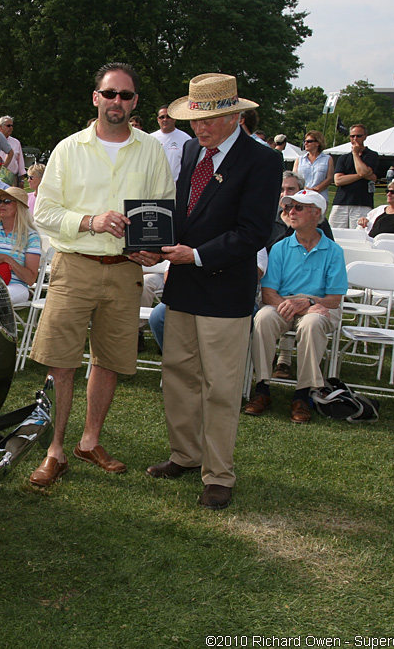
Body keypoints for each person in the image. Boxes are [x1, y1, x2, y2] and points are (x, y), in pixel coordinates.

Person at [26, 62, 175, 488]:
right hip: (75, 267)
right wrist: (91, 221)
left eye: (125, 96)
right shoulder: (69, 149)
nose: (117, 102)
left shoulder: (151, 150)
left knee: (109, 362)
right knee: (61, 363)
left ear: (135, 103)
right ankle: (55, 450)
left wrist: (154, 249)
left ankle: (89, 442)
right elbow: (44, 212)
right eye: (109, 94)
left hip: (126, 271)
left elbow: (163, 206)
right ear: (96, 98)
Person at [139, 73, 281, 510]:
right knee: (178, 377)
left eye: (211, 120)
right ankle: (184, 454)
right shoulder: (190, 151)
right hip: (182, 288)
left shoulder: (263, 160)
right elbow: (183, 214)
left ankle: (219, 475)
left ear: (237, 116)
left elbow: (253, 232)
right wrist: (154, 246)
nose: (201, 128)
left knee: (220, 385)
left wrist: (195, 255)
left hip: (224, 292)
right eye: (196, 120)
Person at [245, 190, 347, 423]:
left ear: (316, 213)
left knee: (312, 323)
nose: (290, 212)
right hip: (284, 302)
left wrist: (309, 302)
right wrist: (296, 305)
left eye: (298, 208)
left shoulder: (333, 251)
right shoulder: (280, 247)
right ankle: (262, 388)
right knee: (264, 318)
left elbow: (334, 299)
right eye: (288, 207)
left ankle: (302, 394)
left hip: (318, 306)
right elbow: (269, 293)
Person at [0, 187, 41, 304]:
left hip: (16, 285)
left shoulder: (31, 236)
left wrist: (7, 259)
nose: (1, 205)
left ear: (19, 206)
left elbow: (30, 279)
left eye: (7, 201)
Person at [330, 123, 379, 228]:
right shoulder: (343, 158)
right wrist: (361, 175)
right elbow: (338, 180)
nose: (355, 139)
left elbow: (365, 172)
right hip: (341, 202)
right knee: (335, 234)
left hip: (362, 202)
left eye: (358, 136)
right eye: (352, 136)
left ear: (365, 136)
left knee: (359, 234)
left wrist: (355, 154)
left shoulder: (372, 155)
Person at [150, 105, 192, 181]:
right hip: (154, 186)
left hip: (176, 186)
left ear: (174, 118)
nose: (165, 119)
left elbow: (190, 166)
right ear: (158, 119)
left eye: (168, 116)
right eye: (162, 117)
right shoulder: (150, 138)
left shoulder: (186, 139)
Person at [293, 130, 335, 201]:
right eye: (305, 141)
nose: (306, 143)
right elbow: (294, 178)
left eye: (309, 141)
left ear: (317, 143)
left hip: (320, 197)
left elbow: (330, 178)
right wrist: (305, 189)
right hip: (301, 196)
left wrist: (316, 189)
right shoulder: (299, 159)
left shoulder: (328, 159)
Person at [0, 116, 26, 187]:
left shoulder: (16, 142)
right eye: (8, 125)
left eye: (12, 126)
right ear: (0, 127)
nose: (11, 128)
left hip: (13, 178)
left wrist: (22, 180)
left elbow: (21, 163)